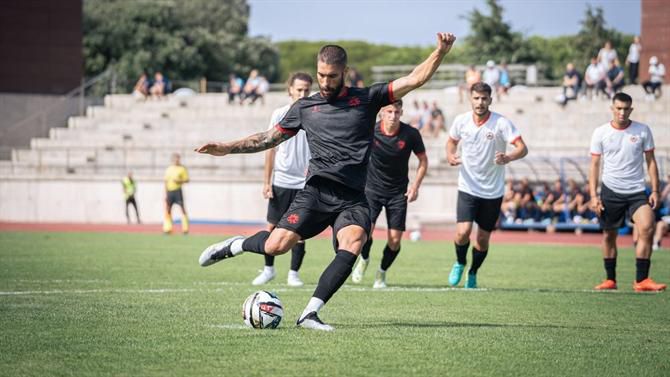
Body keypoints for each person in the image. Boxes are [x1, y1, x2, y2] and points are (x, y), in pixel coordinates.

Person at [196, 32, 457, 331]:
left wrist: (440, 52)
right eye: (321, 74)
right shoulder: (305, 108)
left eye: (332, 76)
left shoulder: (367, 99)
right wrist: (227, 147)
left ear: (344, 73)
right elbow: (268, 139)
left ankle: (309, 312)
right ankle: (236, 245)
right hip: (317, 192)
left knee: (354, 241)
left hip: (354, 197)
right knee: (276, 245)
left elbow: (414, 79)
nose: (325, 81)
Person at [446, 82, 528, 288]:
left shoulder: (501, 123)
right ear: (470, 99)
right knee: (462, 232)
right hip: (468, 187)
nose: (480, 102)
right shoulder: (461, 121)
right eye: (476, 98)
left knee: (482, 239)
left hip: (493, 191)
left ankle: (473, 272)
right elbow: (451, 141)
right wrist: (450, 155)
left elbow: (522, 148)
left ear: (490, 100)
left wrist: (508, 157)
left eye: (484, 98)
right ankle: (460, 262)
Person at [589, 92, 666, 292]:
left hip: (637, 191)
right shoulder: (601, 132)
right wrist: (593, 195)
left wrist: (655, 190)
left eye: (626, 109)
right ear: (612, 109)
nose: (622, 112)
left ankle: (641, 280)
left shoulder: (642, 130)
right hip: (610, 191)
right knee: (609, 235)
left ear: (631, 109)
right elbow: (595, 165)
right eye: (619, 108)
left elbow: (650, 161)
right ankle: (610, 279)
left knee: (647, 227)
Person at [350, 100, 428, 288]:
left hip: (398, 193)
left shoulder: (411, 134)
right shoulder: (370, 131)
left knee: (394, 240)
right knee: (365, 232)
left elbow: (423, 161)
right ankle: (365, 258)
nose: (393, 116)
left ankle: (381, 273)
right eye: (389, 111)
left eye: (397, 112)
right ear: (381, 113)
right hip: (371, 190)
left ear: (402, 112)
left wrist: (415, 186)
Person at [253, 72, 313, 287]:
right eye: (299, 89)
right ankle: (268, 269)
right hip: (281, 181)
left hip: (305, 184)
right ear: (290, 90)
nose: (303, 93)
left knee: (300, 232)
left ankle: (293, 274)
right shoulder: (279, 114)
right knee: (271, 228)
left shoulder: (316, 113)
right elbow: (270, 148)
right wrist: (266, 181)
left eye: (306, 90)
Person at [163, 153, 190, 235]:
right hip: (169, 192)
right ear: (172, 160)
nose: (177, 160)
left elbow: (187, 180)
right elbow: (165, 182)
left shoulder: (182, 169)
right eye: (175, 159)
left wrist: (180, 181)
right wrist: (165, 193)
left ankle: (185, 229)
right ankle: (167, 229)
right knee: (168, 209)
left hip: (178, 191)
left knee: (182, 209)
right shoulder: (168, 169)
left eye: (178, 159)